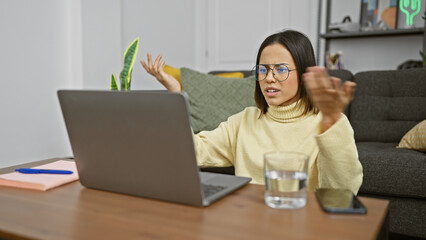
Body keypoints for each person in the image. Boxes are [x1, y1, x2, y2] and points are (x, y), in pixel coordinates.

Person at [141, 30, 363, 194]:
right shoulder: (244, 120)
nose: (269, 78)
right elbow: (195, 151)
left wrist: (332, 122)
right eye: (262, 69)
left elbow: (344, 191)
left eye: (281, 69)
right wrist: (175, 95)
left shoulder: (329, 123)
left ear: (304, 73)